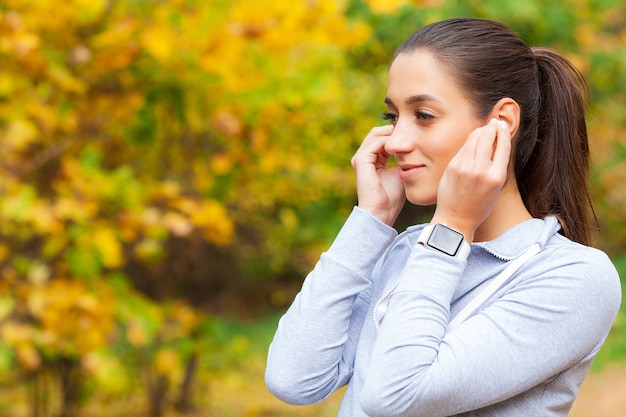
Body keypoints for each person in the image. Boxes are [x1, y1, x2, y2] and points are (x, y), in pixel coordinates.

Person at [264, 17, 621, 417]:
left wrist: (452, 225)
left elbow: (396, 397)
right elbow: (293, 378)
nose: (397, 141)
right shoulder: (405, 252)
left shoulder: (573, 277)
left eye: (424, 115)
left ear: (501, 122)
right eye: (392, 116)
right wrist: (370, 219)